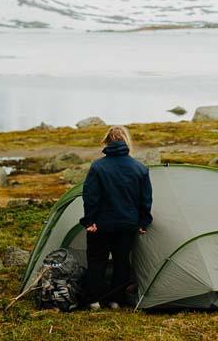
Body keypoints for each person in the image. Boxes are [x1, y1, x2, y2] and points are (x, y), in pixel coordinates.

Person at [80, 125, 152, 310]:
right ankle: (115, 300)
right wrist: (143, 222)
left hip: (101, 225)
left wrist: (89, 221)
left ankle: (94, 301)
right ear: (126, 142)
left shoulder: (98, 167)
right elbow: (145, 200)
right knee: (122, 262)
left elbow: (90, 197)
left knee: (97, 261)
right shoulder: (140, 168)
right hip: (127, 224)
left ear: (107, 142)